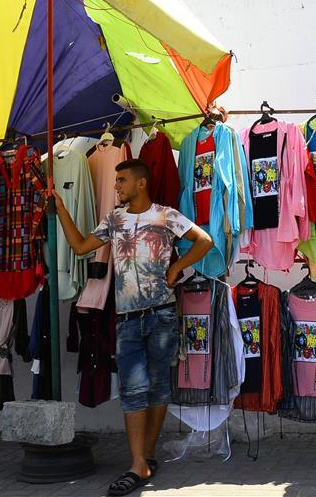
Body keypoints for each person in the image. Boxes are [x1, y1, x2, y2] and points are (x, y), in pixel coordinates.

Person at [54, 158, 212, 496]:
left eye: (122, 180)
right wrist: (61, 210)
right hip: (127, 319)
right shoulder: (114, 219)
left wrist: (177, 268)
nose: (116, 186)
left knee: (158, 389)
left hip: (163, 315)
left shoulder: (166, 215)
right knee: (133, 391)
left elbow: (205, 241)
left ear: (141, 183)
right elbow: (81, 247)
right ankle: (138, 463)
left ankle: (146, 458)